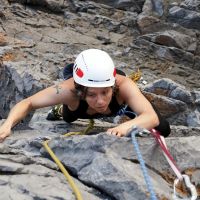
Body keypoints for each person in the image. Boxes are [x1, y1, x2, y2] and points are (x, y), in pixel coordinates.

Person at [0, 49, 170, 142]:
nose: (101, 101)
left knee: (163, 129)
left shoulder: (123, 85)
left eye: (105, 92)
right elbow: (28, 103)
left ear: (112, 86)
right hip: (77, 109)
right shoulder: (68, 91)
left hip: (120, 104)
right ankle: (60, 109)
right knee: (68, 117)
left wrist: (126, 127)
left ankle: (128, 110)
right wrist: (7, 125)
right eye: (92, 95)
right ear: (80, 91)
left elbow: (151, 117)